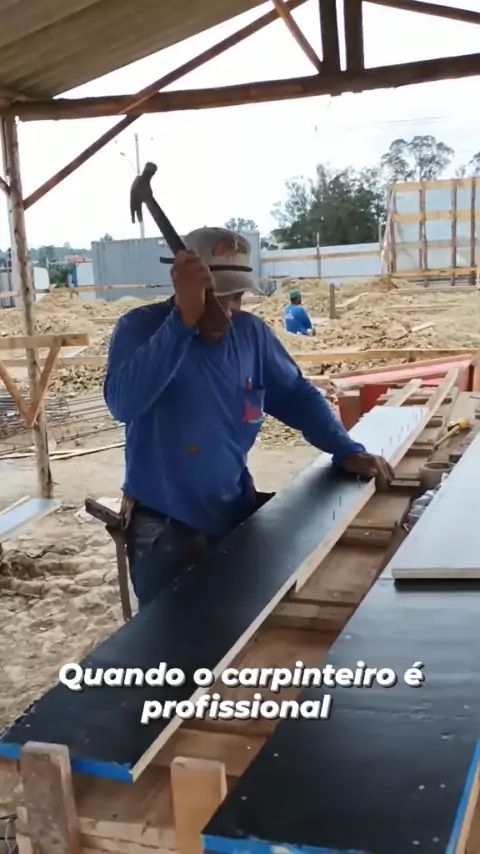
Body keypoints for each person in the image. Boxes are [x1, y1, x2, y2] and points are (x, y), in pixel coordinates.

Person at [104, 227, 394, 609]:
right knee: (169, 636)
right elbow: (122, 404)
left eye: (237, 297)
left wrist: (345, 449)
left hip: (233, 512)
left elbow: (296, 394)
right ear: (185, 287)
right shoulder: (139, 329)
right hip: (163, 529)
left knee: (237, 622)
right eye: (217, 298)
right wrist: (181, 322)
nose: (230, 310)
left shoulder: (250, 335)